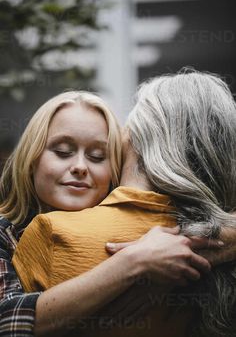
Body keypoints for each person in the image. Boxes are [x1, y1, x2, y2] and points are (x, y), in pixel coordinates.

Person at [12, 70, 236, 337]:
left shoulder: (48, 233)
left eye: (98, 156)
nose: (80, 167)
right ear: (29, 157)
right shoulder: (16, 231)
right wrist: (132, 262)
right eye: (62, 152)